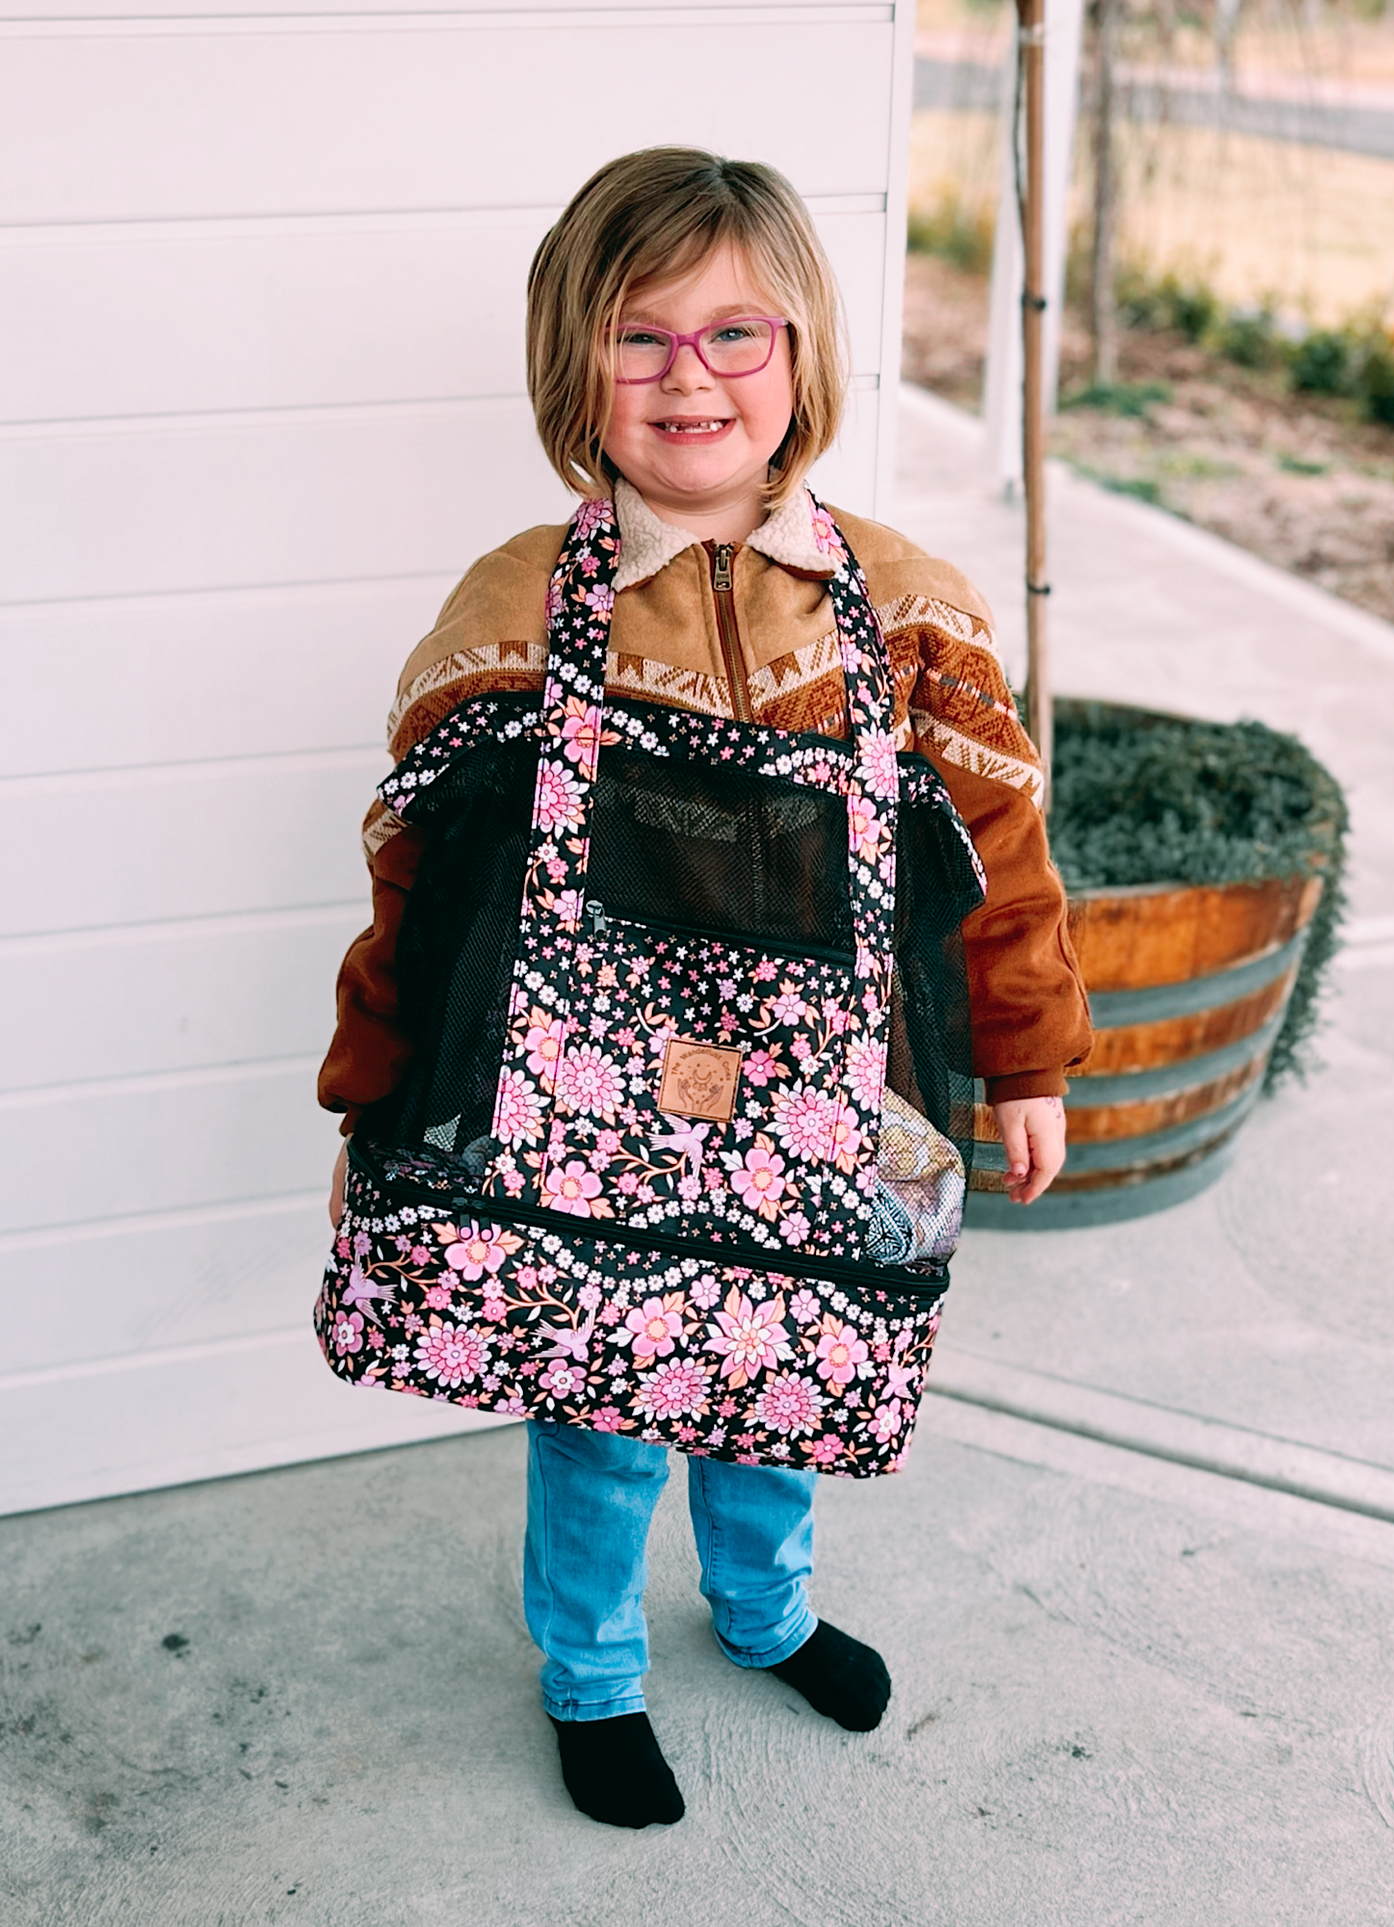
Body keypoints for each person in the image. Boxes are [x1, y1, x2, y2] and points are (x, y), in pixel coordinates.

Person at [318, 148, 1091, 1830]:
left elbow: (1002, 856)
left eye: (738, 333)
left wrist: (1026, 1060)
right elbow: (422, 883)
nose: (693, 378)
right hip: (590, 1119)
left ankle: (767, 1612)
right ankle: (591, 1673)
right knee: (602, 1406)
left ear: (802, 355)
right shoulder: (517, 606)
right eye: (641, 339)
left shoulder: (910, 614)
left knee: (787, 1369)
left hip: (822, 1100)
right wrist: (372, 1099)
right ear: (571, 364)